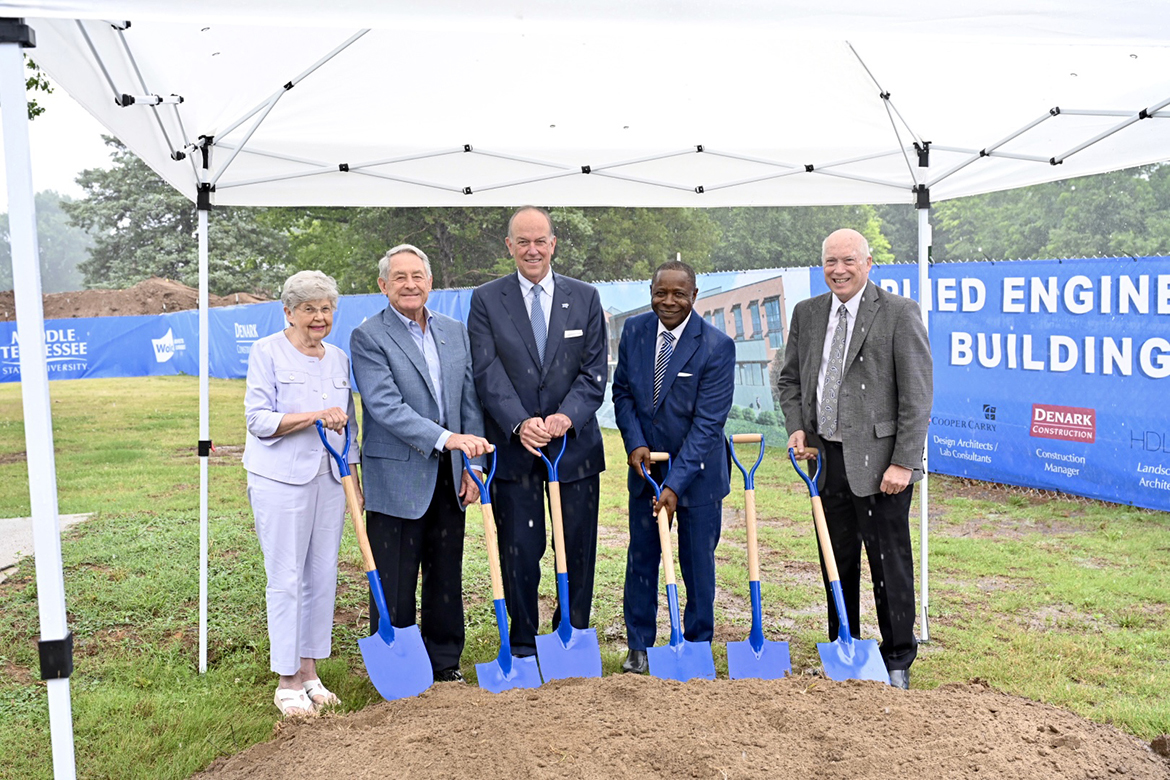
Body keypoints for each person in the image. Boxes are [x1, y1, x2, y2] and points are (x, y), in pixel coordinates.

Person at [775, 228, 932, 690]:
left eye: (848, 261)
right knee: (835, 559)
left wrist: (904, 461)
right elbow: (791, 382)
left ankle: (897, 656)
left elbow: (917, 396)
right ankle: (842, 645)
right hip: (826, 458)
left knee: (889, 562)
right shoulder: (808, 313)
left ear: (868, 263)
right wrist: (797, 426)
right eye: (830, 262)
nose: (838, 270)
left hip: (883, 464)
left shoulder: (899, 313)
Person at [467, 206, 608, 657]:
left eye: (540, 241)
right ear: (509, 246)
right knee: (521, 552)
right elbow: (485, 371)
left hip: (575, 450)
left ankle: (571, 634)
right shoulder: (487, 299)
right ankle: (525, 641)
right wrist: (518, 422)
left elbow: (593, 372)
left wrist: (567, 416)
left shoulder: (585, 297)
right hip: (515, 453)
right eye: (522, 241)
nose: (532, 250)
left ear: (553, 244)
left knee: (578, 551)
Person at [350, 244, 491, 683]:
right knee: (393, 577)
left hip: (451, 475)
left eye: (417, 276)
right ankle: (397, 670)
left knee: (446, 573)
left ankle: (444, 663)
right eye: (399, 278)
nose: (409, 285)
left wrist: (473, 466)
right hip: (395, 475)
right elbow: (385, 406)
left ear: (430, 282)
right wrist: (448, 440)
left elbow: (468, 398)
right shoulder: (369, 336)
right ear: (383, 286)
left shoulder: (453, 330)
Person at [243, 270, 360, 717]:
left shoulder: (338, 358)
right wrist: (314, 415)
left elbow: (348, 421)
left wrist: (353, 475)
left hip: (329, 479)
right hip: (280, 480)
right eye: (308, 308)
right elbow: (258, 421)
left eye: (326, 308)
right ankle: (286, 680)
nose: (318, 317)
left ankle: (310, 673)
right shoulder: (266, 352)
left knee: (321, 576)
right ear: (288, 312)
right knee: (287, 578)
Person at [611, 260, 736, 674]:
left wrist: (675, 484)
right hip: (646, 471)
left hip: (698, 476)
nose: (668, 301)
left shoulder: (716, 345)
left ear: (694, 295)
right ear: (651, 291)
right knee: (642, 559)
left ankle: (696, 644)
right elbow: (624, 394)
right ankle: (639, 646)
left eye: (678, 294)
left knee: (697, 562)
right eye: (660, 292)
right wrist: (636, 443)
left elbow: (707, 424)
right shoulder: (635, 331)